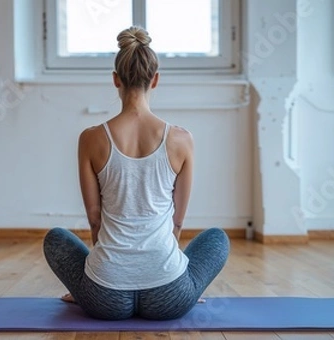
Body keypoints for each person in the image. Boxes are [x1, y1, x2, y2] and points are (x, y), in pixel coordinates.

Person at [43, 26, 229, 321]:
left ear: (115, 79)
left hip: (103, 298)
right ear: (155, 80)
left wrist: (100, 279)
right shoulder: (182, 139)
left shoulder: (91, 138)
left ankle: (84, 290)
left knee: (55, 238)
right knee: (218, 239)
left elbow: (95, 218)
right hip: (170, 295)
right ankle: (187, 288)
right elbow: (177, 220)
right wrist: (177, 279)